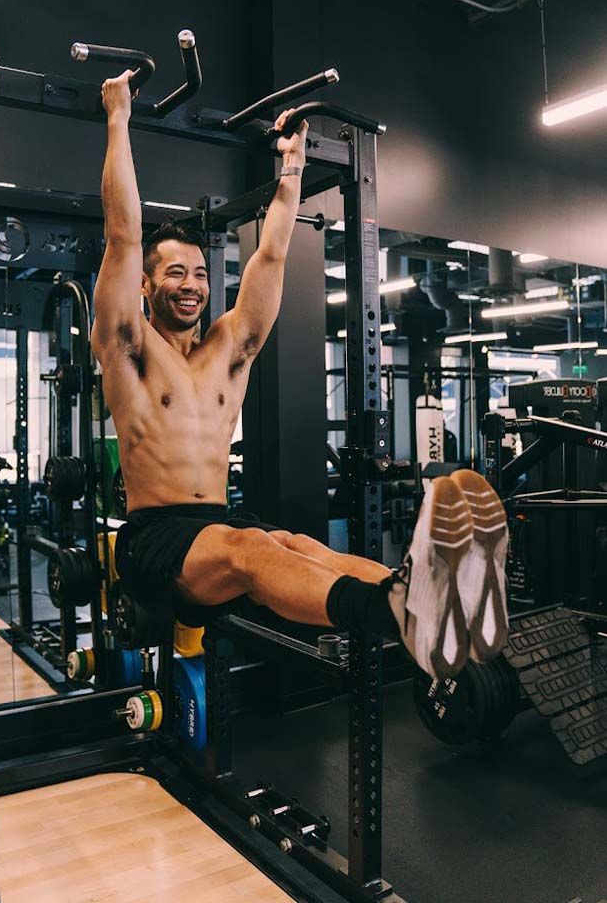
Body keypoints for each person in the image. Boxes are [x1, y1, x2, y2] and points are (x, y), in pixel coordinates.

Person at [91, 70, 509, 681]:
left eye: (202, 274)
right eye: (176, 274)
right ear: (148, 285)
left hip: (217, 522)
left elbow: (273, 254)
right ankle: (399, 614)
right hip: (156, 542)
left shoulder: (228, 350)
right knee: (256, 548)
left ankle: (441, 597)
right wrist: (118, 119)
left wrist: (292, 169)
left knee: (301, 546)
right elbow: (123, 236)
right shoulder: (127, 346)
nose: (192, 285)